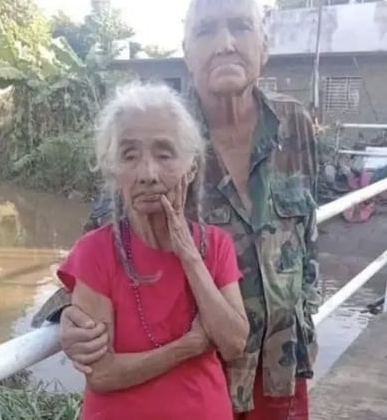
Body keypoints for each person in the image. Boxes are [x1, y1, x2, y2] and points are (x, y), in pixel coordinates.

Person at [33, 0, 320, 419]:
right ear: (187, 52)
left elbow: (309, 241)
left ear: (264, 45)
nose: (225, 43)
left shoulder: (294, 124)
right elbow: (102, 243)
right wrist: (70, 314)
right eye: (206, 30)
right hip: (204, 378)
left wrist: (307, 314)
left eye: (240, 26)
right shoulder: (162, 134)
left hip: (282, 368)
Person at [55, 82, 249, 420]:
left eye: (164, 154)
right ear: (113, 171)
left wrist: (189, 254)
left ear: (191, 167)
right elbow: (102, 373)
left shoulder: (215, 244)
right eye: (130, 156)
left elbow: (233, 343)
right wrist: (188, 345)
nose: (148, 174)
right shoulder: (95, 252)